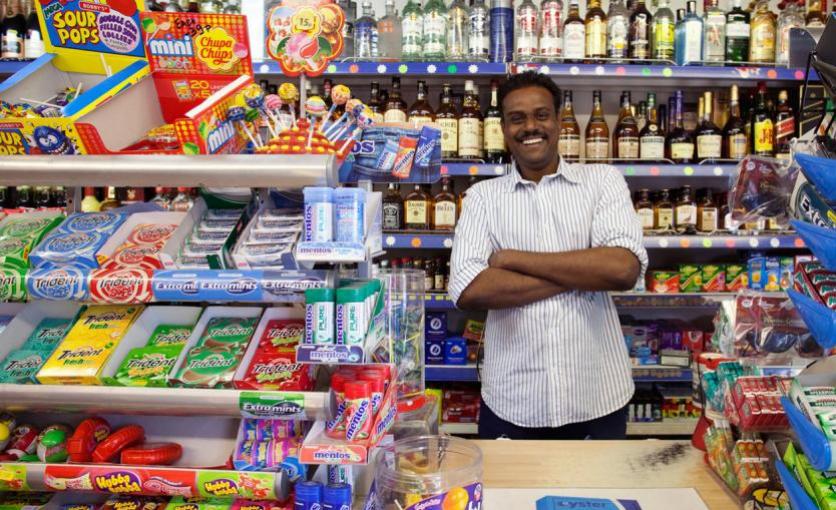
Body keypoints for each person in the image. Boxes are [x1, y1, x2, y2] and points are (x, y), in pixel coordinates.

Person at [448, 72, 648, 440]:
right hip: (512, 402)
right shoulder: (482, 197)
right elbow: (469, 289)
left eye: (541, 115)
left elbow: (622, 269)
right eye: (517, 118)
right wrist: (582, 270)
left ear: (558, 121)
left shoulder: (603, 181)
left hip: (597, 397)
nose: (530, 127)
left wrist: (511, 259)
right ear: (505, 129)